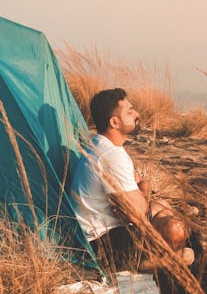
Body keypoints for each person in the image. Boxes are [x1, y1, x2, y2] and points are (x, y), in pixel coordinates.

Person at [71, 87, 195, 271]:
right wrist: (143, 189)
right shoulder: (111, 155)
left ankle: (159, 255)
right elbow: (137, 213)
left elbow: (135, 207)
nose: (136, 114)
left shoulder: (102, 144)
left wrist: (141, 192)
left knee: (162, 206)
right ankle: (155, 263)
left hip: (105, 230)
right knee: (177, 234)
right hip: (102, 243)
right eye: (129, 112)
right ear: (114, 122)